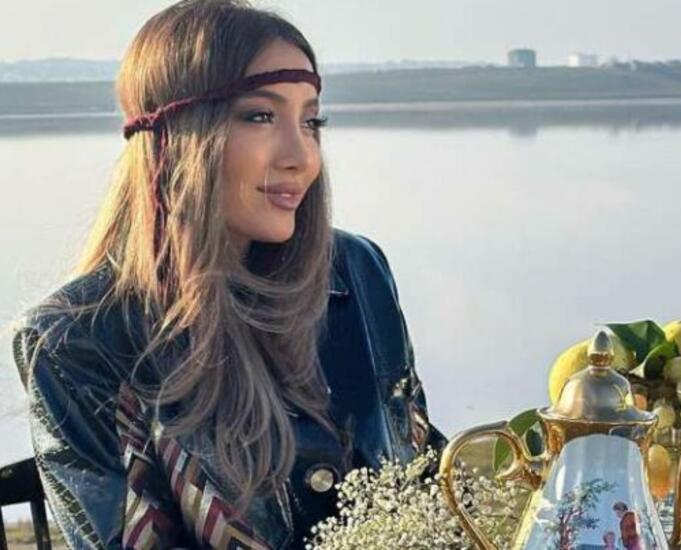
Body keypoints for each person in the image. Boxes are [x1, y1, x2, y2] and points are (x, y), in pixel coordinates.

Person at [10, 1, 446, 548]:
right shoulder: (74, 341)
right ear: (175, 136)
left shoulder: (357, 272)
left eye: (311, 121)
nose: (301, 156)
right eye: (260, 116)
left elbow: (423, 470)